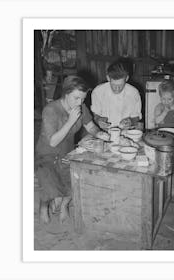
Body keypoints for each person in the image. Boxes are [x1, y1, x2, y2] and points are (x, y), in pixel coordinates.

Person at [35, 75, 108, 224]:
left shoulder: (81, 107)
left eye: (83, 98)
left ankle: (64, 206)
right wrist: (70, 121)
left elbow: (91, 126)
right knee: (49, 186)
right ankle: (43, 207)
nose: (80, 102)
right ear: (66, 94)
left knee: (75, 181)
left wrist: (100, 133)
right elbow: (53, 142)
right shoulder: (51, 110)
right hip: (46, 154)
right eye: (76, 98)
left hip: (67, 152)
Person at [91, 61, 142, 130]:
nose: (117, 89)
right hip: (104, 132)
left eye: (121, 85)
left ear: (126, 78)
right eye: (114, 85)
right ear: (108, 78)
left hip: (126, 132)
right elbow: (95, 115)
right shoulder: (98, 92)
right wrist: (99, 120)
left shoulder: (133, 93)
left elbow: (136, 117)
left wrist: (131, 121)